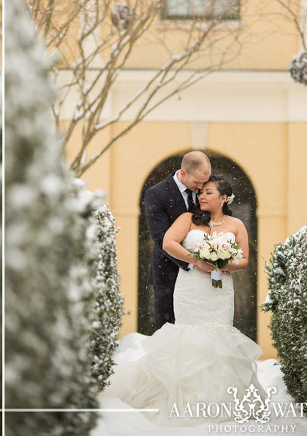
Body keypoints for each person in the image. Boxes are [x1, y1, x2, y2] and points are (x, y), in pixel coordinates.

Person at [103, 175, 264, 425]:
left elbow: (243, 261)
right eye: (201, 192)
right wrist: (197, 259)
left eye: (208, 192)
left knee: (219, 336)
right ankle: (183, 397)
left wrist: (223, 264)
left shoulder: (236, 225)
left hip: (220, 291)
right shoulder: (188, 219)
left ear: (223, 198)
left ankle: (219, 400)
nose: (201, 196)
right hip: (191, 288)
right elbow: (168, 243)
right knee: (189, 335)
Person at [144, 151, 211, 329]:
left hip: (205, 277)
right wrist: (194, 263)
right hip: (168, 272)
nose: (201, 187)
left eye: (204, 182)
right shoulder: (156, 194)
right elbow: (160, 239)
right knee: (169, 330)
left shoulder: (207, 188)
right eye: (197, 182)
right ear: (183, 172)